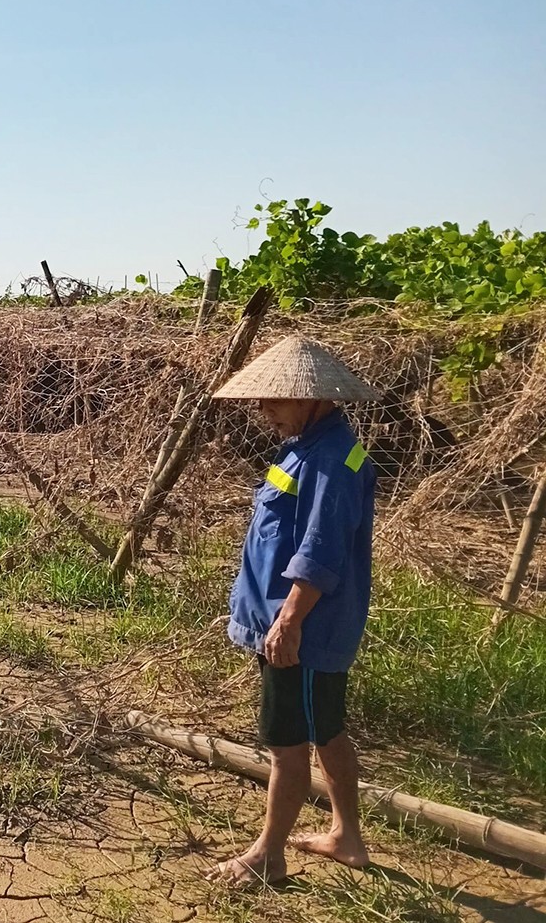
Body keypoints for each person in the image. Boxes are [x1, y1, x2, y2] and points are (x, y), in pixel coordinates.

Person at [202, 334, 381, 887]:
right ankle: (346, 836)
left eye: (275, 399)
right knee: (325, 730)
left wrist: (288, 622)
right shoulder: (310, 447)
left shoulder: (330, 460)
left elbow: (320, 552)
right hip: (299, 626)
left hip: (303, 631)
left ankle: (268, 855)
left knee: (287, 743)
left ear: (312, 398)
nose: (264, 411)